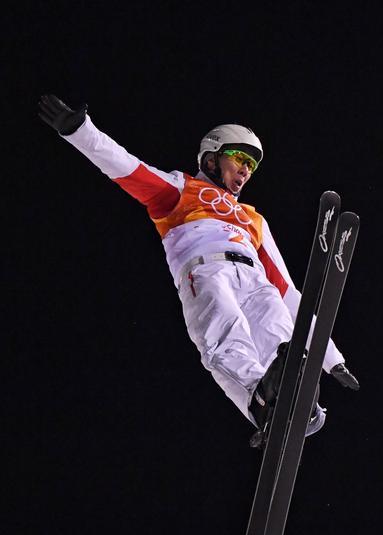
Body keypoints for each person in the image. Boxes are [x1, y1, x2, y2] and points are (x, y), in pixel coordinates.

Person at [38, 94, 359, 445]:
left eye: (252, 165)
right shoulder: (181, 190)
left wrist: (331, 359)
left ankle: (299, 400)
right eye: (240, 159)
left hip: (254, 278)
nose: (246, 170)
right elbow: (126, 167)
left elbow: (287, 290)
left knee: (278, 331)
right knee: (225, 337)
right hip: (206, 269)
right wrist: (79, 131)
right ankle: (261, 402)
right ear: (211, 159)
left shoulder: (253, 219)